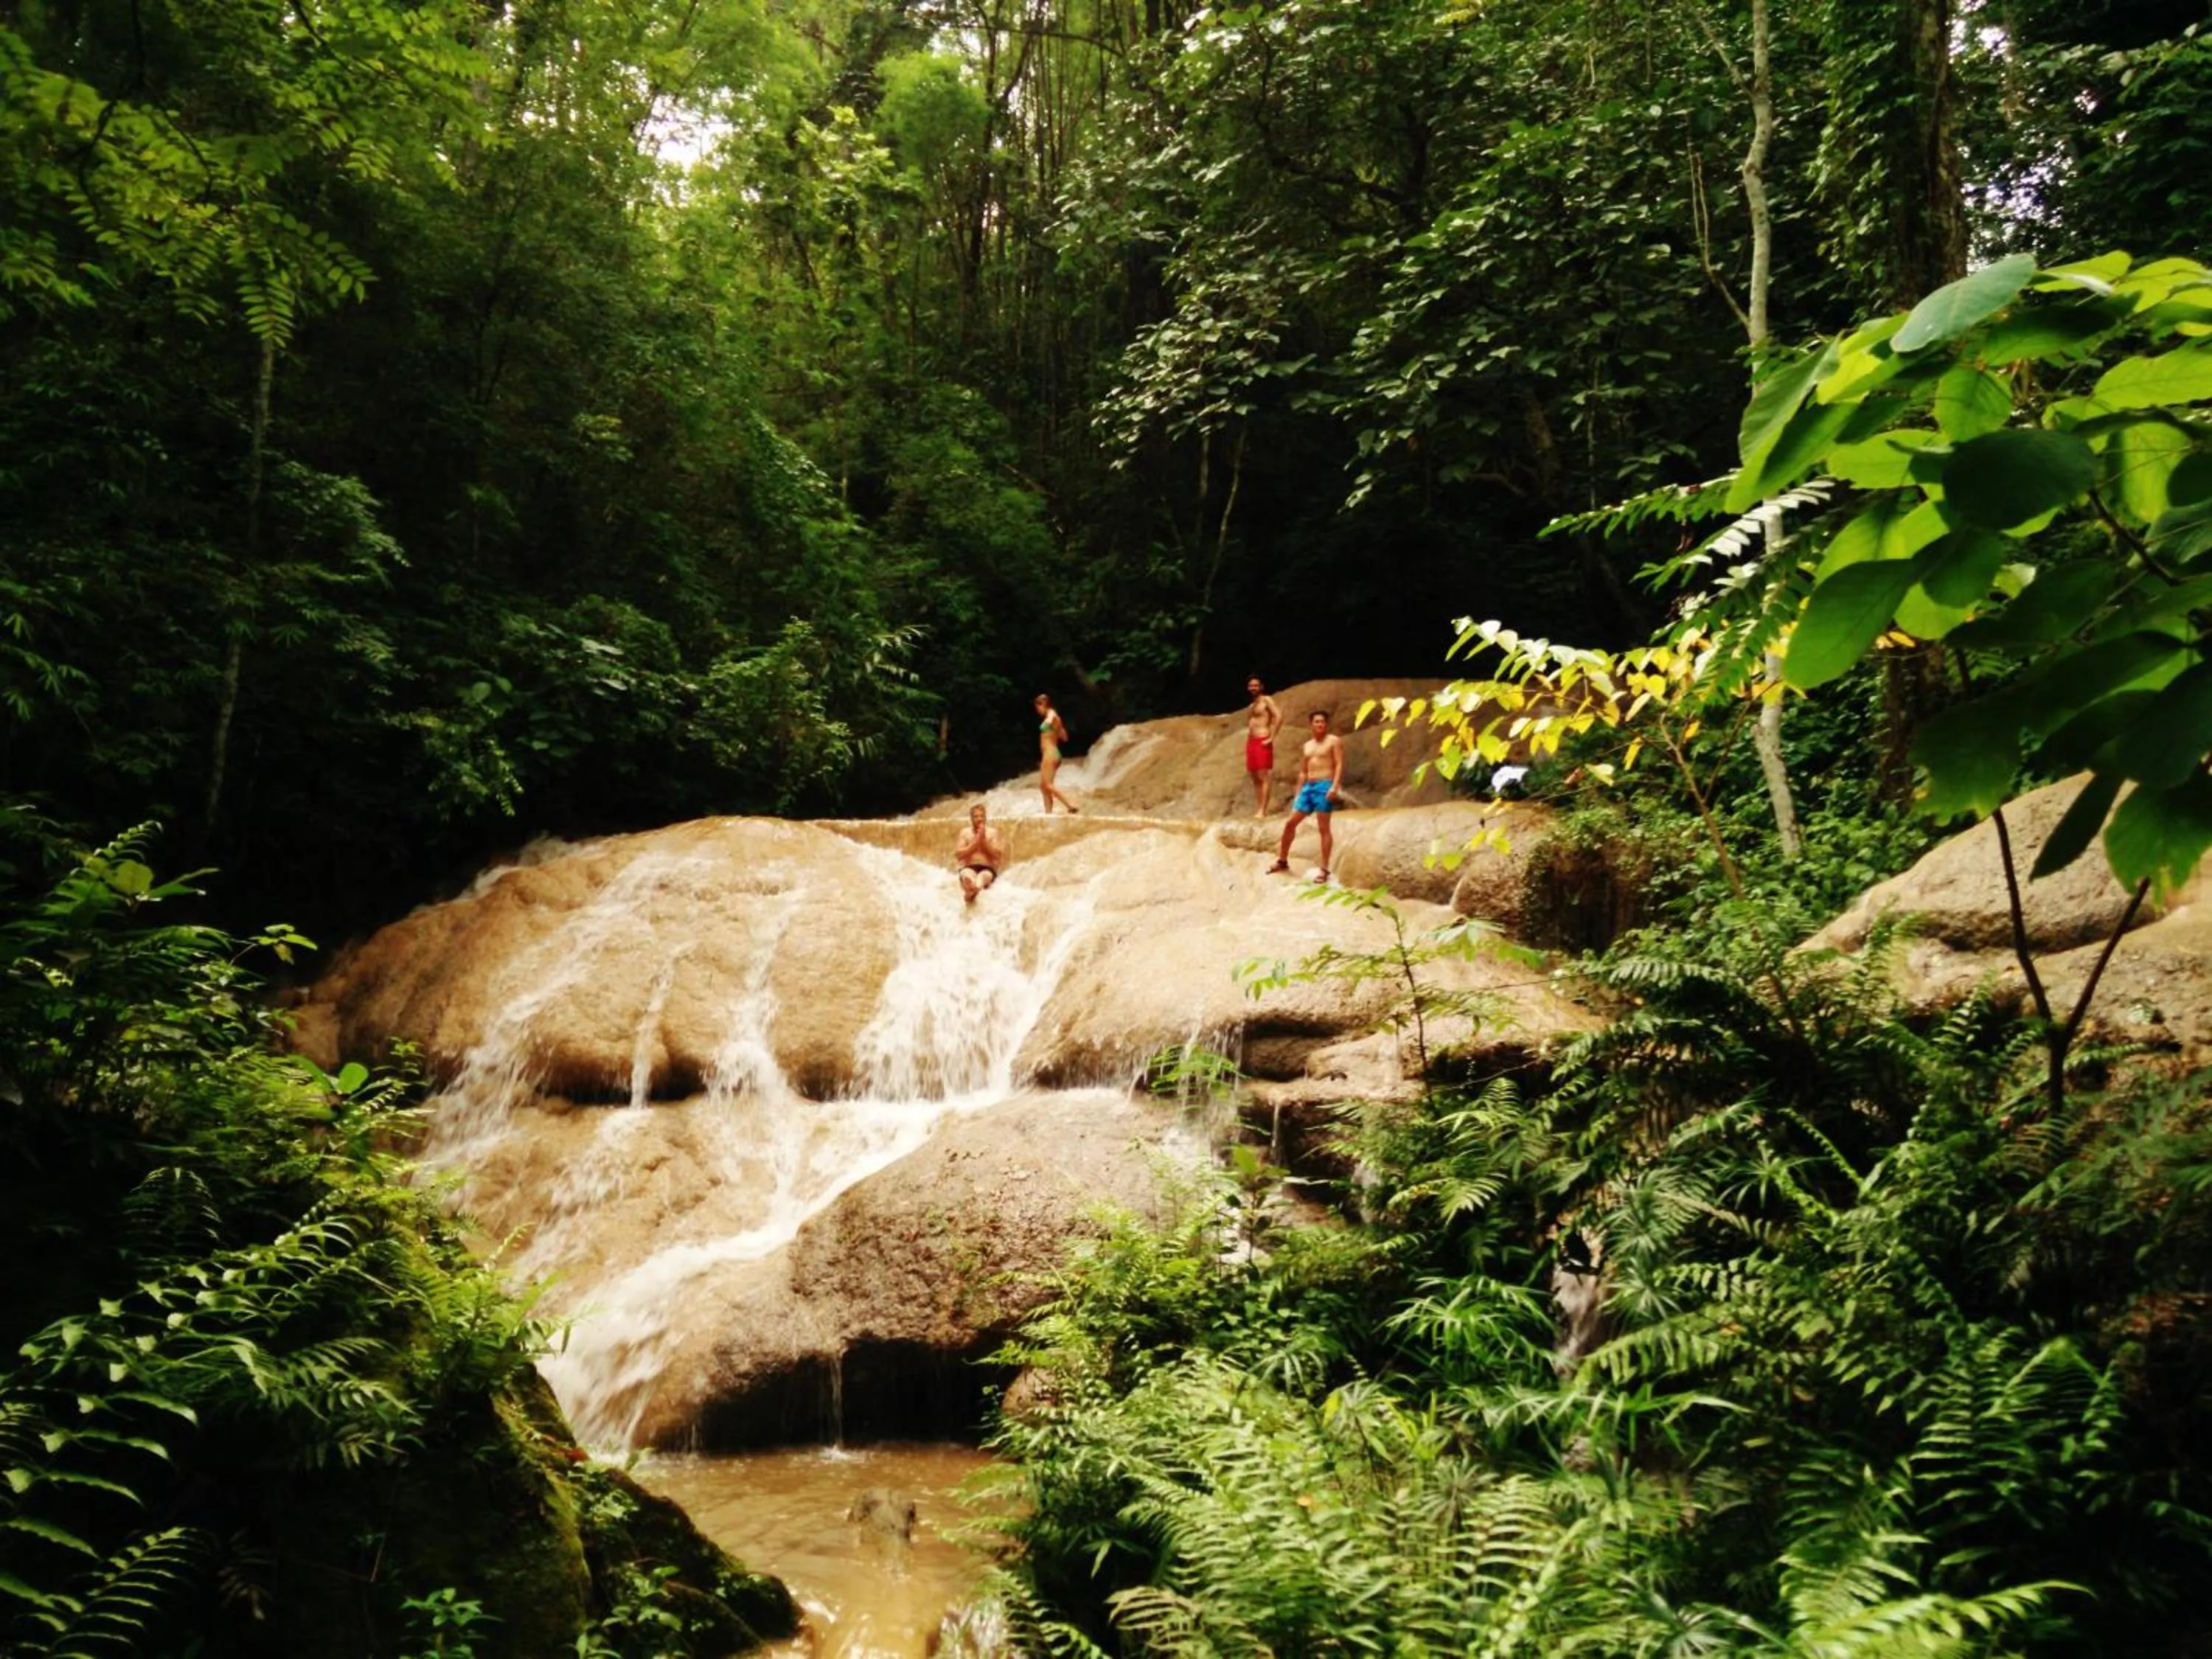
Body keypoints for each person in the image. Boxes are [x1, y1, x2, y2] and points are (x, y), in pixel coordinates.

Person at [1267, 710, 1344, 881]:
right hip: (1309, 787)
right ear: (1311, 724)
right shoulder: (1307, 746)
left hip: (1325, 785)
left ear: (1326, 724)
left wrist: (1334, 786)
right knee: (1290, 823)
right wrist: (1298, 793)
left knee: (1323, 828)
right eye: (1317, 722)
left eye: (1323, 721)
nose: (1320, 724)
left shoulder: (1334, 741)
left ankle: (1324, 870)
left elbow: (1339, 764)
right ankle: (1282, 860)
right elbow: (1303, 771)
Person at [1242, 675, 1282, 817]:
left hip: (1262, 739)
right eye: (1251, 686)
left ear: (1261, 687)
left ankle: (1263, 810)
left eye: (1256, 685)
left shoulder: (1266, 700)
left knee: (1263, 775)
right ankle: (1259, 808)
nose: (1253, 688)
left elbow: (1279, 716)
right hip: (1252, 741)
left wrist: (1272, 737)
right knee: (1254, 776)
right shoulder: (1252, 704)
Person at [1034, 693, 1079, 815]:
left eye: (1038, 707)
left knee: (1047, 785)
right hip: (1053, 753)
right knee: (1043, 786)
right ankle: (1048, 813)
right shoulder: (1057, 720)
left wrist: (1049, 722)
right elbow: (1064, 737)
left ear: (1043, 705)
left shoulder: (1052, 714)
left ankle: (1070, 805)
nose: (1038, 711)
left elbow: (1050, 718)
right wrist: (1056, 729)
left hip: (1050, 752)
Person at [954, 803, 1006, 903]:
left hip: (987, 868)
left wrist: (984, 841)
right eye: (976, 816)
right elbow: (959, 855)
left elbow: (997, 855)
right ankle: (971, 888)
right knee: (966, 875)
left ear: (985, 818)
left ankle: (974, 889)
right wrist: (974, 844)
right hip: (969, 866)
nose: (979, 819)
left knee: (982, 877)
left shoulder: (992, 833)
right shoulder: (965, 833)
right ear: (971, 819)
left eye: (982, 816)